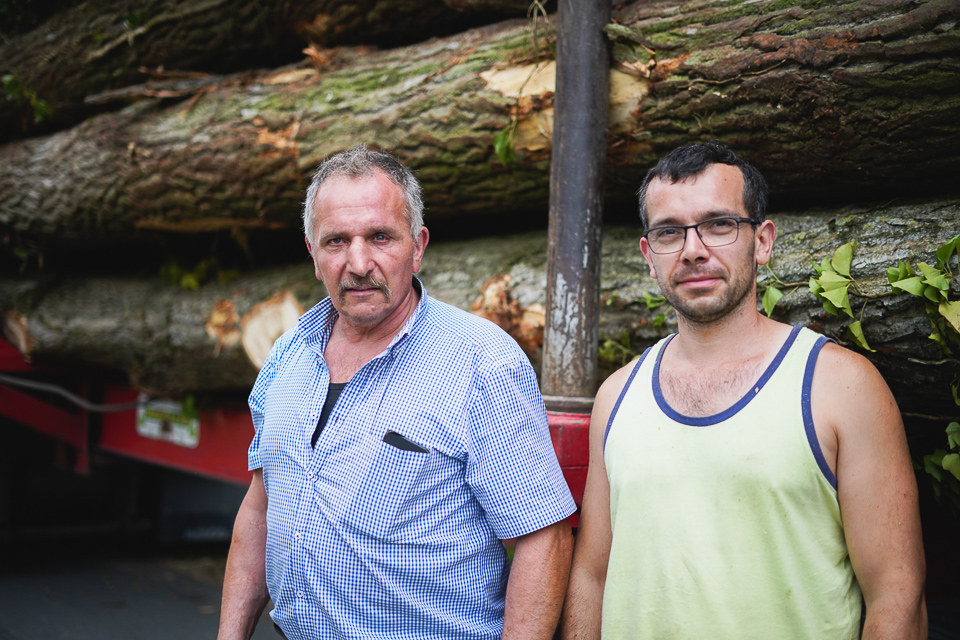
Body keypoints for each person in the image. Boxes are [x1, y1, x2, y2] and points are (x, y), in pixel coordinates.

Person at [561, 141, 927, 640]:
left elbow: (897, 597)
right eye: (670, 232)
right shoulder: (616, 396)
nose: (693, 250)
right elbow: (591, 577)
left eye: (719, 224)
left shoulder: (840, 386)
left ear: (762, 241)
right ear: (649, 255)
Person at [218, 145, 576, 640]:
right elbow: (261, 506)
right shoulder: (287, 355)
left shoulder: (480, 362)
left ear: (419, 244)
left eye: (380, 237)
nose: (358, 262)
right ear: (313, 255)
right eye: (336, 241)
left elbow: (544, 540)